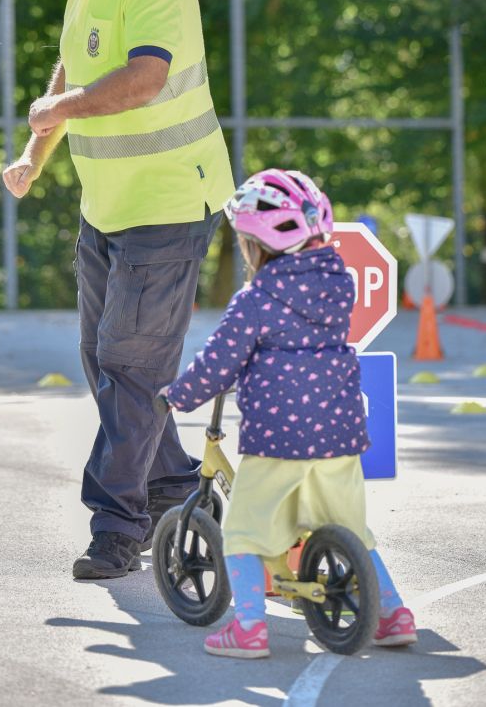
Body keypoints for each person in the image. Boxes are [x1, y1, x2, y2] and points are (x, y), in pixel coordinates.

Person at [3, 0, 235, 580]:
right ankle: (170, 486)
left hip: (168, 205)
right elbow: (67, 77)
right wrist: (33, 155)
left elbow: (143, 79)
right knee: (107, 364)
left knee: (131, 366)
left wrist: (62, 112)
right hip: (106, 209)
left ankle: (117, 526)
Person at [160, 168, 418, 658]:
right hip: (340, 437)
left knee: (243, 531)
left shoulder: (255, 300)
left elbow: (219, 362)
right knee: (353, 530)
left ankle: (249, 628)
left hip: (279, 441)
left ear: (255, 246)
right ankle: (393, 613)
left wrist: (178, 395)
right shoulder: (339, 287)